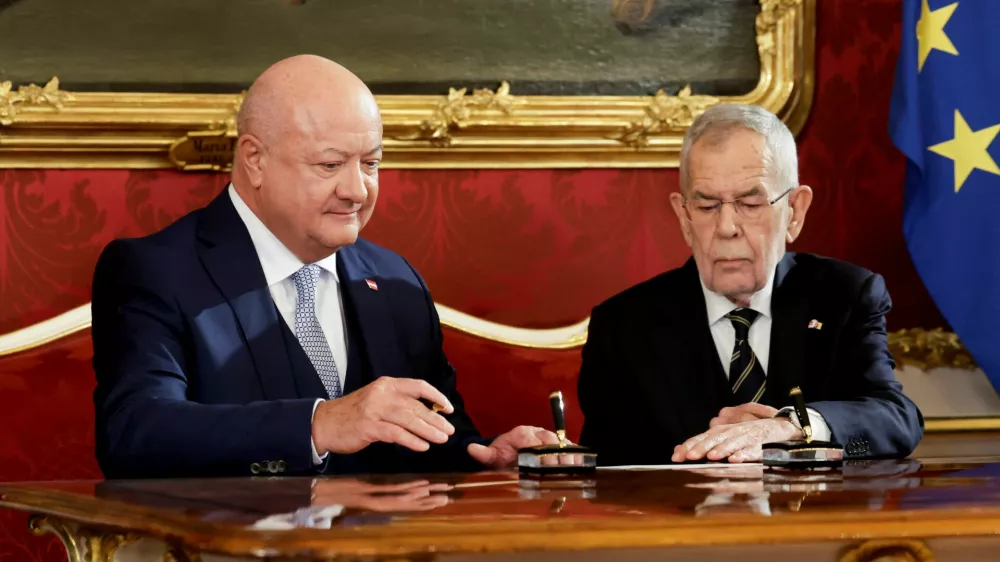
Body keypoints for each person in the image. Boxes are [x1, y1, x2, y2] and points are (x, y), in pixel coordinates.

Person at [91, 55, 559, 479]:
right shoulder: (155, 270)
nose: (357, 190)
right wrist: (317, 424)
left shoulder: (396, 281)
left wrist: (485, 457)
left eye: (370, 163)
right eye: (330, 164)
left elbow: (433, 442)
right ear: (254, 160)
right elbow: (136, 434)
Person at [577, 103, 924, 466]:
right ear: (684, 217)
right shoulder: (623, 326)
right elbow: (606, 472)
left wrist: (792, 426)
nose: (727, 227)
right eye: (708, 206)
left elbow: (895, 416)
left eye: (750, 202)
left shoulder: (844, 295)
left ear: (794, 211)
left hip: (813, 519)